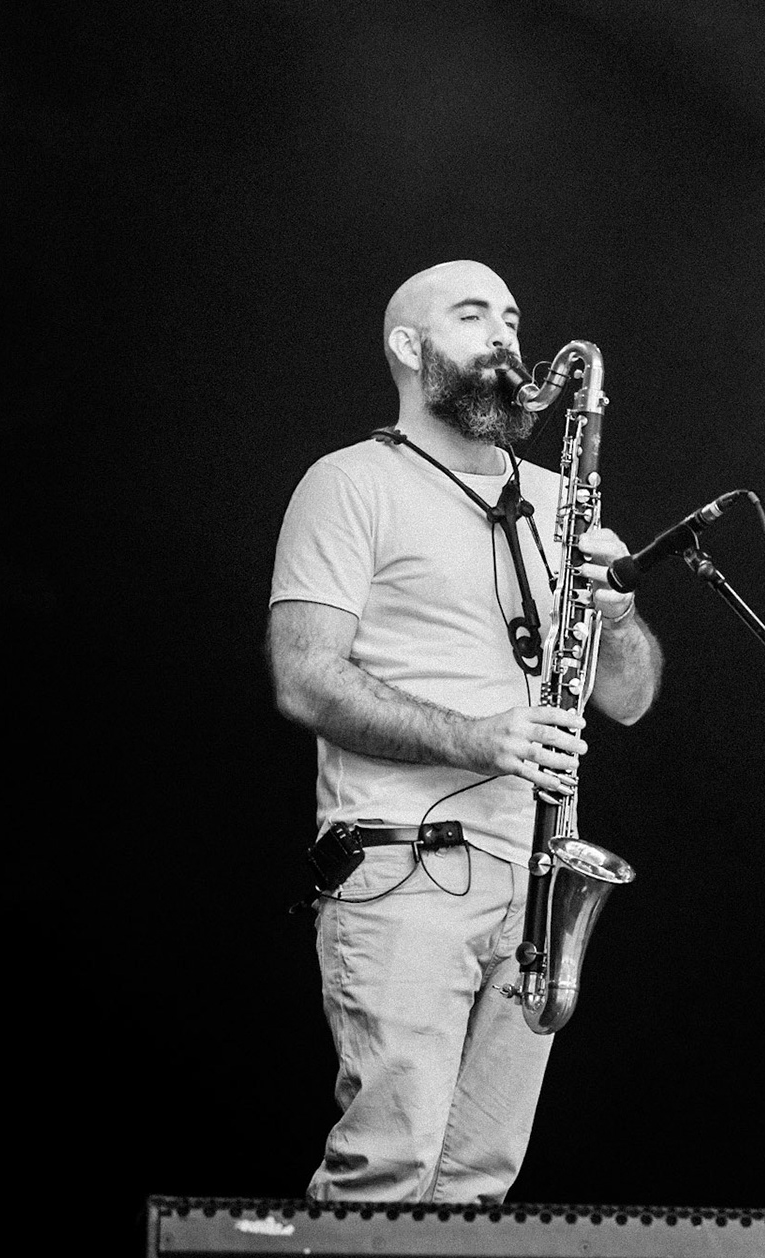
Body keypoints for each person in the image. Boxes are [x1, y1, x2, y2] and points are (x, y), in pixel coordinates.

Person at [267, 260, 663, 1204]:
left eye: (514, 318)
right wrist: (477, 737)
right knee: (388, 1165)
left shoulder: (561, 501)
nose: (506, 337)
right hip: (405, 858)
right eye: (473, 314)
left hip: (534, 873)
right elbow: (304, 678)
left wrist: (615, 613)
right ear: (408, 347)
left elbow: (632, 699)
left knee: (479, 1185)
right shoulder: (350, 482)